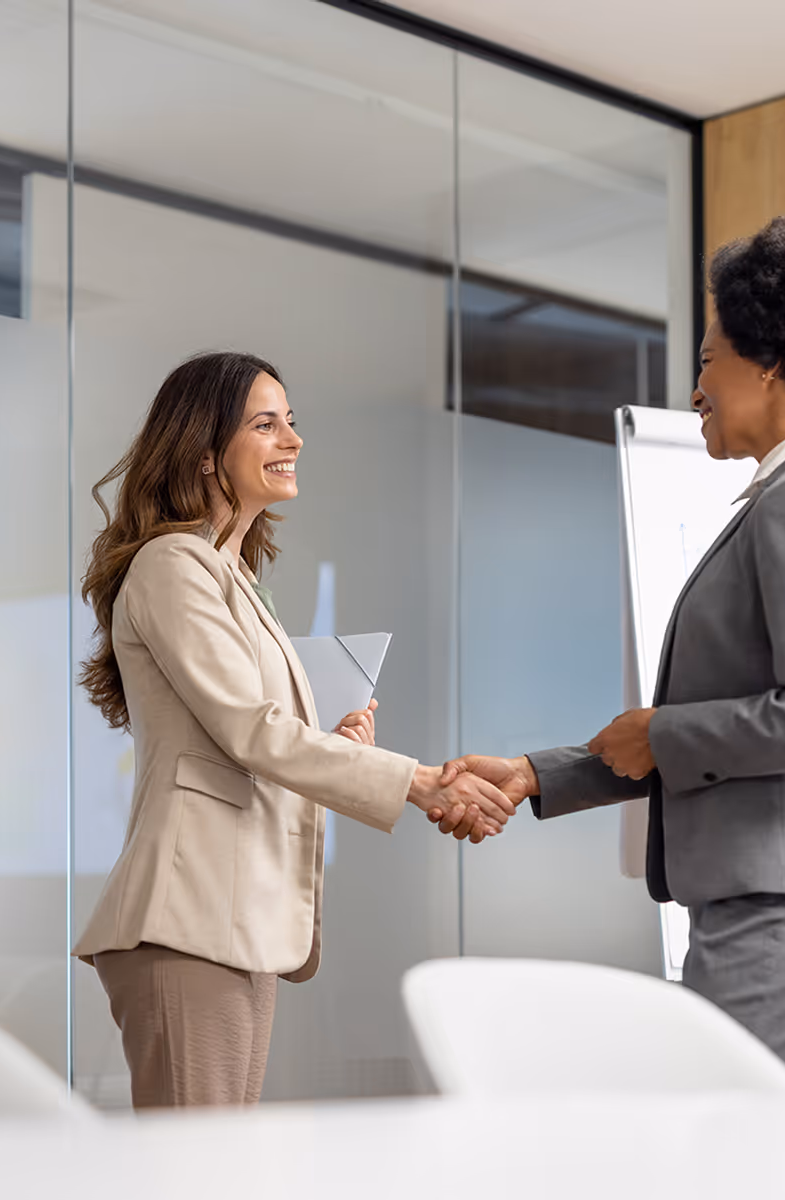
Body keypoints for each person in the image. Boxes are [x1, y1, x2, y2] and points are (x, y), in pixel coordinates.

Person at [435, 213, 785, 1084]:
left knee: (729, 1143)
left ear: (768, 360)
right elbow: (722, 724)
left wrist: (662, 733)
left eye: (706, 361)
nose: (695, 390)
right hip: (777, 890)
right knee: (775, 1148)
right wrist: (539, 774)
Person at [72, 352, 512, 1109]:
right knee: (192, 1179)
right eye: (266, 423)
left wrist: (339, 751)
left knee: (220, 1173)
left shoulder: (231, 576)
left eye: (292, 422)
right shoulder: (174, 565)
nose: (293, 439)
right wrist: (420, 782)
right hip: (190, 921)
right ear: (205, 452)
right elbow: (252, 731)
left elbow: (249, 740)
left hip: (235, 924)